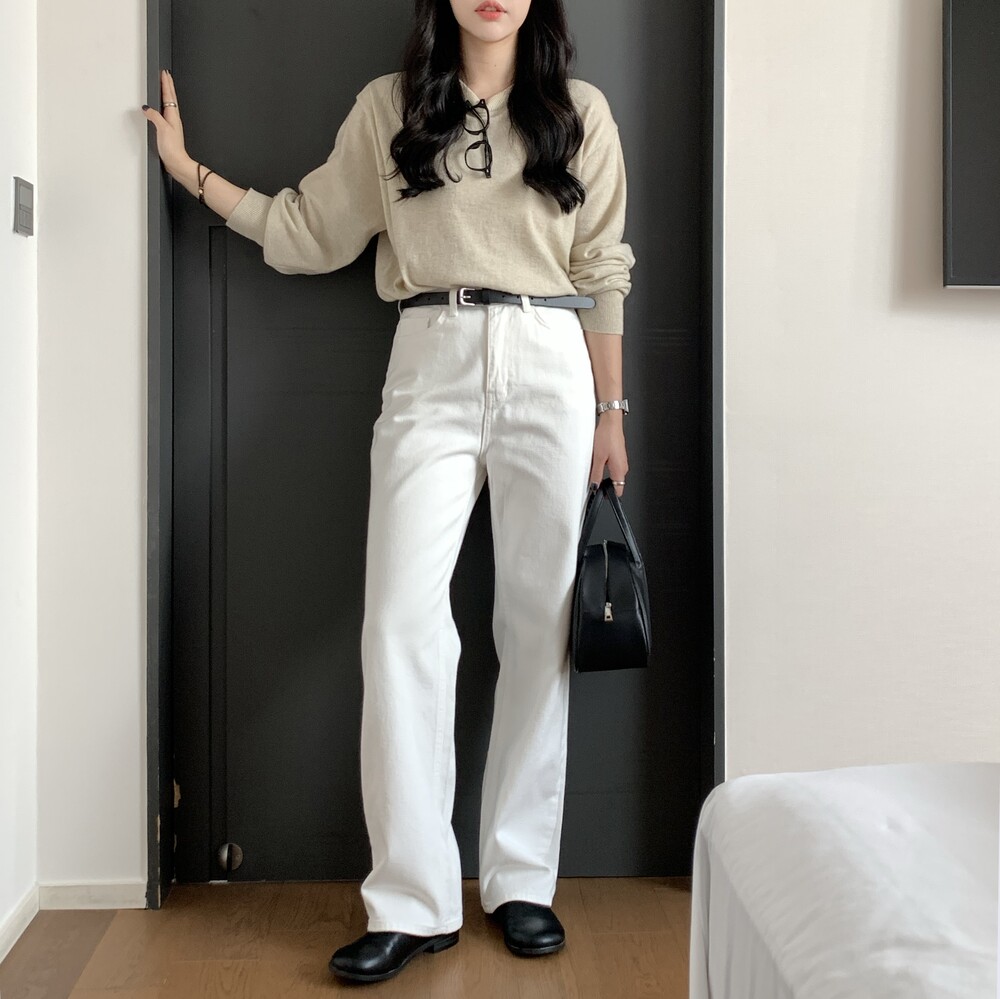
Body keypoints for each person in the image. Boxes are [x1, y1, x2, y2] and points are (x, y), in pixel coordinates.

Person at [141, 0, 635, 985]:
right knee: (399, 624)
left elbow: (602, 264)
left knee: (539, 623)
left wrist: (611, 411)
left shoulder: (579, 110)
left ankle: (521, 881)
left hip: (550, 357)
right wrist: (192, 174)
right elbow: (311, 230)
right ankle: (412, 897)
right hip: (429, 355)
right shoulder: (390, 107)